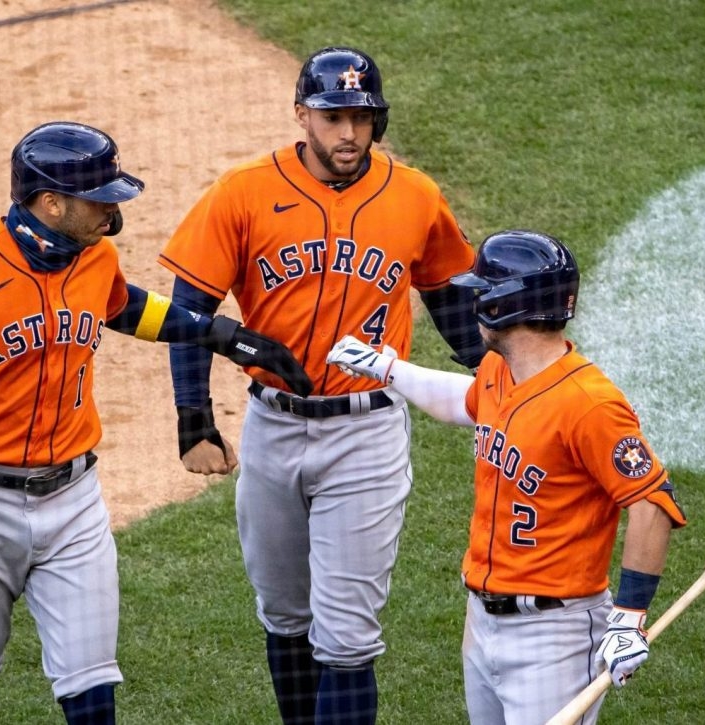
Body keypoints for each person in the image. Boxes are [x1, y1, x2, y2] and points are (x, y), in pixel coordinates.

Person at [0, 121, 311, 725]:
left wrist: (227, 336)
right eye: (101, 202)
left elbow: (127, 307)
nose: (112, 219)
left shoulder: (95, 258)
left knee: (93, 689)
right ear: (49, 202)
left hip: (74, 503)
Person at [157, 47, 485, 724]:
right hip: (271, 427)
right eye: (334, 116)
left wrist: (509, 376)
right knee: (283, 616)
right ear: (302, 114)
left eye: (362, 118)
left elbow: (451, 303)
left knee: (345, 637)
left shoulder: (413, 195)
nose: (348, 133)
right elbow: (190, 307)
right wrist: (193, 417)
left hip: (365, 434)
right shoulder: (243, 192)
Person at [326, 229, 688, 724]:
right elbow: (463, 401)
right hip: (484, 619)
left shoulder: (589, 405)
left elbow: (652, 501)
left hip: (554, 634)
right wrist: (389, 369)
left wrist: (627, 619)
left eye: (481, 291)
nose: (472, 301)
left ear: (506, 304)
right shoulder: (500, 372)